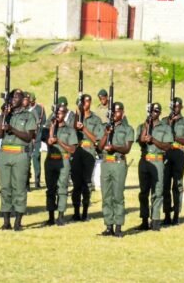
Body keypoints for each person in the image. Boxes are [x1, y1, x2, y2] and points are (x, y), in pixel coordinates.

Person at [0, 89, 37, 231]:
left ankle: (18, 222)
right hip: (5, 153)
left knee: (19, 188)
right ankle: (6, 222)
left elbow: (28, 137)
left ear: (22, 99)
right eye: (12, 96)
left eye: (17, 96)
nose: (14, 99)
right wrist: (3, 114)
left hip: (20, 155)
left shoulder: (28, 116)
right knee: (5, 187)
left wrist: (12, 129)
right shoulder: (7, 114)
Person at [98, 102, 135, 237]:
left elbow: (127, 149)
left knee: (118, 196)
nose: (115, 114)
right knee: (106, 196)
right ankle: (108, 226)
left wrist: (114, 147)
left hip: (119, 163)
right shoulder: (105, 127)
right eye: (113, 111)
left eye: (118, 111)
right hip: (106, 164)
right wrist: (106, 134)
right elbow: (99, 147)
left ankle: (118, 226)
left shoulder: (128, 129)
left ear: (123, 113)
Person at [136, 102, 174, 231]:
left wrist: (154, 140)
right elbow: (140, 142)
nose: (154, 113)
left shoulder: (165, 128)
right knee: (143, 192)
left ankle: (156, 220)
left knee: (157, 192)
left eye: (156, 111)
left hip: (157, 161)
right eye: (152, 111)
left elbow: (168, 146)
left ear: (160, 113)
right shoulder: (143, 126)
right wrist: (146, 127)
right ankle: (144, 220)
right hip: (144, 160)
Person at [44, 103, 77, 226]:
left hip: (64, 160)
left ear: (65, 114)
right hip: (51, 160)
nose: (58, 115)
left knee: (62, 188)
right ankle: (51, 216)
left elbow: (72, 149)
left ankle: (61, 216)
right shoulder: (49, 128)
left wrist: (59, 141)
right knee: (50, 189)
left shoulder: (69, 130)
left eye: (61, 112)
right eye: (57, 112)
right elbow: (48, 141)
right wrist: (52, 127)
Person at [71, 94, 103, 221]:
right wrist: (77, 114)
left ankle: (85, 212)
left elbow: (97, 139)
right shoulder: (75, 117)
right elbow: (71, 130)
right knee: (76, 184)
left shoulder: (95, 119)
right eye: (83, 101)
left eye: (87, 101)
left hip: (89, 152)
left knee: (86, 183)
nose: (85, 103)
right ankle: (75, 212)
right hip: (76, 152)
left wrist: (83, 128)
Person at [163, 97, 184, 226]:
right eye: (173, 106)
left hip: (179, 153)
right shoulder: (164, 121)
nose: (175, 109)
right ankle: (166, 214)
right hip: (166, 153)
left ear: (181, 107)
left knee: (177, 185)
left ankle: (176, 214)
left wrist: (175, 137)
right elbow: (160, 136)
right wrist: (169, 125)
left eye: (177, 106)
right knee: (165, 185)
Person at [28, 93, 46, 189]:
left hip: (38, 137)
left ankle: (37, 181)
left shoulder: (40, 108)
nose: (31, 103)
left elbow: (43, 123)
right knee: (26, 159)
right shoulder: (25, 108)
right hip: (28, 137)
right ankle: (26, 182)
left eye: (32, 101)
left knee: (36, 158)